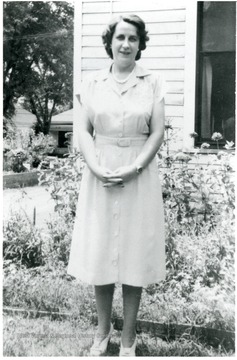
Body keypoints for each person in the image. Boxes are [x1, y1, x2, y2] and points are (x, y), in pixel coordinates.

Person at [67, 14, 166, 357]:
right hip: (101, 171)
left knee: (135, 254)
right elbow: (83, 131)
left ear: (140, 45)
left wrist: (135, 167)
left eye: (133, 39)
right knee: (101, 254)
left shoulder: (152, 82)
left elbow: (157, 131)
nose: (126, 44)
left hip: (139, 173)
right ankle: (102, 331)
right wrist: (95, 167)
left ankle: (128, 338)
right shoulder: (91, 83)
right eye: (120, 37)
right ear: (109, 42)